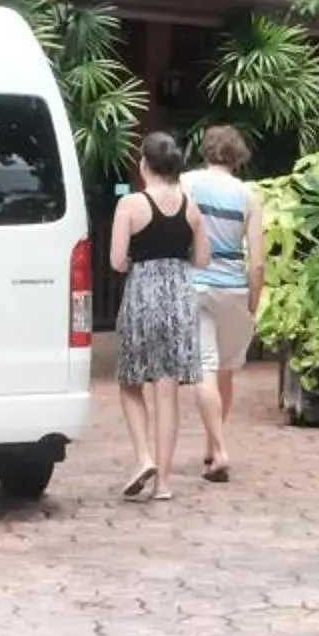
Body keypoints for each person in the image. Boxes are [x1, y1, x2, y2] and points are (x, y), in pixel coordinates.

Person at [109, 130, 207, 500]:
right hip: (179, 295)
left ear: (144, 165)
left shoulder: (130, 205)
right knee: (168, 390)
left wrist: (138, 260)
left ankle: (143, 457)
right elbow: (202, 259)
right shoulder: (190, 206)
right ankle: (164, 483)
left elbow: (117, 261)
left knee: (131, 381)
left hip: (144, 293)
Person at [183, 126, 265, 482]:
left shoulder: (187, 184)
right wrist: (254, 301)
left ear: (207, 150)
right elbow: (258, 261)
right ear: (237, 155)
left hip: (197, 282)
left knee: (204, 366)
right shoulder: (249, 196)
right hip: (234, 288)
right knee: (226, 370)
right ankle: (212, 443)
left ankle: (219, 452)